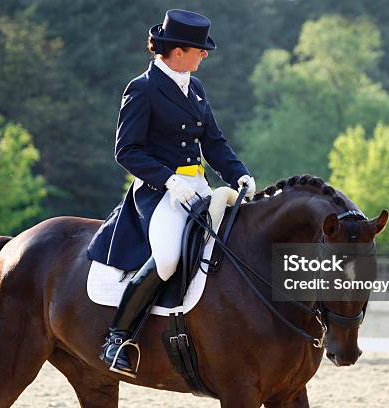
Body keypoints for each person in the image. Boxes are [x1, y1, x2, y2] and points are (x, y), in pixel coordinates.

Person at [92, 9, 256, 377]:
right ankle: (116, 338)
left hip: (198, 187)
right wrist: (167, 180)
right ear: (178, 51)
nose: (206, 54)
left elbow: (213, 142)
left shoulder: (194, 87)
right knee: (167, 258)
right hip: (160, 192)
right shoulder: (143, 88)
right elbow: (126, 150)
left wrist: (240, 174)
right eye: (200, 49)